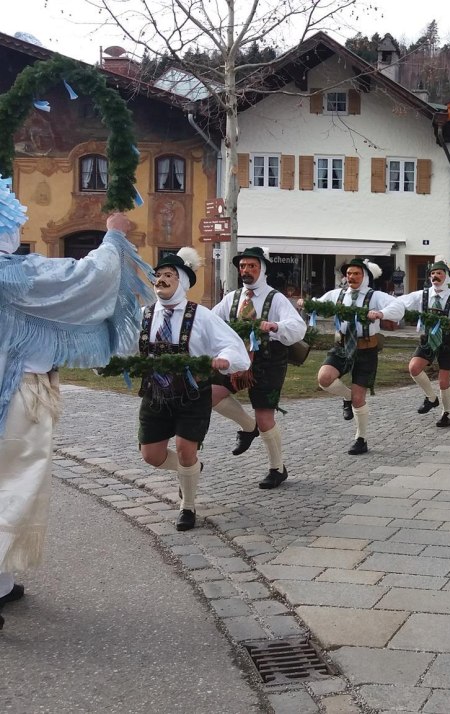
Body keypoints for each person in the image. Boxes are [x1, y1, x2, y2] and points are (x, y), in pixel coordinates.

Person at [0, 189, 152, 629]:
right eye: (13, 225)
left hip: (18, 391)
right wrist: (113, 238)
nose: (19, 233)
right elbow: (85, 281)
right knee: (12, 487)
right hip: (15, 398)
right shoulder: (12, 276)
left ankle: (3, 583)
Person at [139, 250, 250, 531]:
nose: (161, 280)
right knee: (151, 456)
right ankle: (191, 471)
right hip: (155, 393)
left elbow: (232, 345)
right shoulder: (145, 315)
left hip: (192, 395)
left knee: (185, 449)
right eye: (158, 275)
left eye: (168, 275)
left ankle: (187, 506)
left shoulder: (201, 316)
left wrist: (225, 360)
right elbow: (125, 346)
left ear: (183, 282)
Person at [211, 247, 306, 490]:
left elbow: (297, 327)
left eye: (251, 266)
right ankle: (247, 426)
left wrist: (275, 326)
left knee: (265, 418)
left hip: (268, 361)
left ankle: (277, 468)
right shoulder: (232, 298)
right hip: (235, 359)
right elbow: (210, 322)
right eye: (242, 266)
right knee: (210, 392)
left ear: (262, 269)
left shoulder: (276, 298)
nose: (246, 271)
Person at [313, 259, 405, 454]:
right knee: (324, 378)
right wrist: (308, 304)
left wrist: (381, 313)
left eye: (356, 274)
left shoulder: (375, 296)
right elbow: (319, 305)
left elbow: (398, 308)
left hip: (366, 349)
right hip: (342, 346)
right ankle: (346, 397)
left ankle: (361, 439)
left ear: (365, 277)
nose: (351, 277)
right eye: (349, 274)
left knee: (359, 398)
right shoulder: (337, 294)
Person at [399, 257, 450, 427]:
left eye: (439, 273)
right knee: (414, 367)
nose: (435, 276)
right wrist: (385, 310)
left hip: (448, 340)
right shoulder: (422, 294)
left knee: (443, 381)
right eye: (432, 273)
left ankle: (446, 413)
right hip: (428, 339)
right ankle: (431, 398)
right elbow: (402, 302)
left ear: (446, 276)